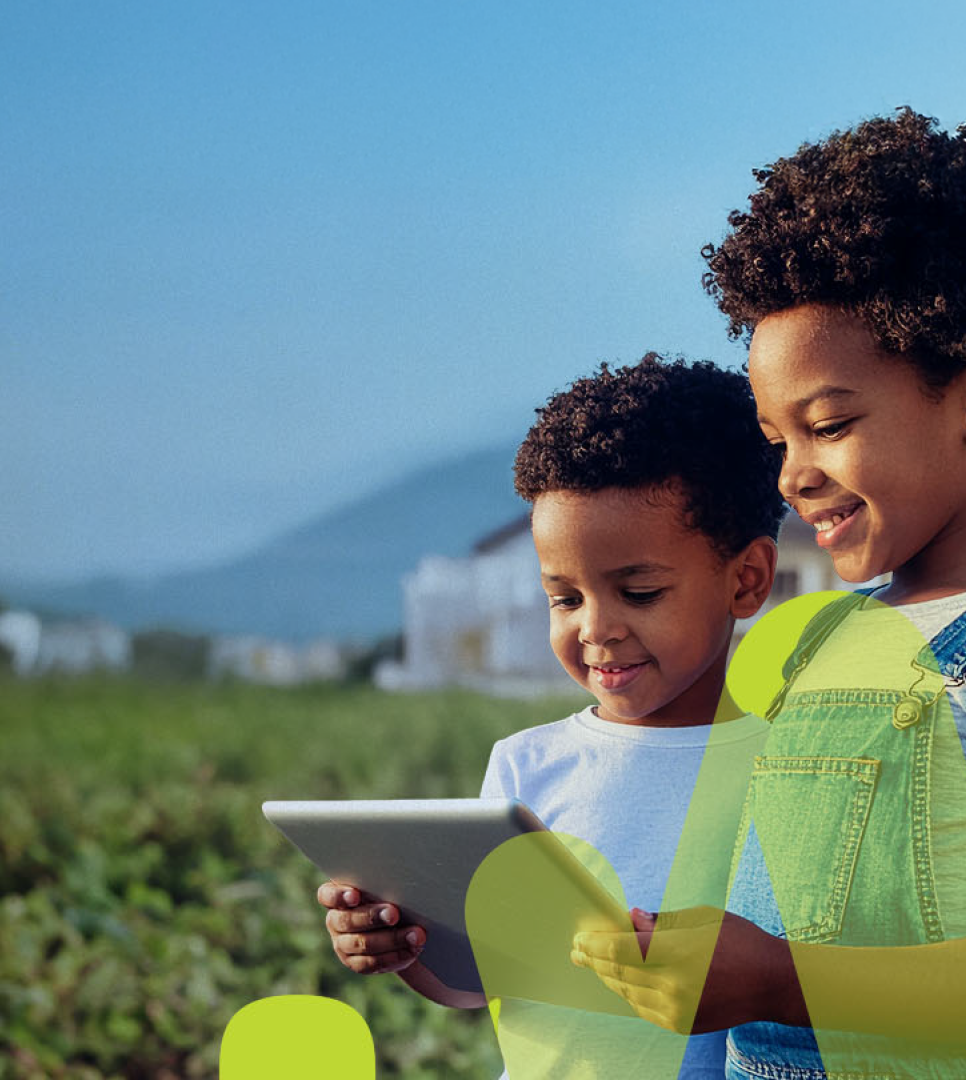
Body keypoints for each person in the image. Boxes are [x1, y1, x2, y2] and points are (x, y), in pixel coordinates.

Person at [568, 109, 966, 1080]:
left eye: (831, 425)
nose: (793, 476)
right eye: (778, 440)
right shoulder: (821, 640)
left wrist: (781, 982)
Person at [317, 354, 787, 1077]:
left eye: (639, 592)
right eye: (564, 598)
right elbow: (483, 976)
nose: (595, 629)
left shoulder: (787, 766)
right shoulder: (526, 765)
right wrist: (406, 947)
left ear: (746, 580)